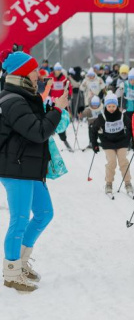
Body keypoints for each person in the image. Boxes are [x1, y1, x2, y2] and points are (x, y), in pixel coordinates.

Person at [0, 51, 68, 292]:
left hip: (29, 167)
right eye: (33, 70)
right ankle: (11, 272)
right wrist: (57, 110)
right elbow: (38, 131)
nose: (38, 73)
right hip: (15, 168)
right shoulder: (12, 100)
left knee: (44, 213)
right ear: (20, 73)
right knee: (18, 220)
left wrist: (47, 101)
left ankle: (20, 261)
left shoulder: (24, 96)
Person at [89, 92, 134, 196]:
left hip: (121, 142)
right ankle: (108, 184)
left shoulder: (122, 116)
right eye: (109, 106)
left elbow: (131, 127)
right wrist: (94, 144)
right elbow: (93, 130)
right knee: (112, 162)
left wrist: (130, 141)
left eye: (114, 106)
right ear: (106, 106)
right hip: (108, 143)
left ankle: (128, 183)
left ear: (117, 106)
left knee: (123, 161)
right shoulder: (102, 117)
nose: (112, 108)